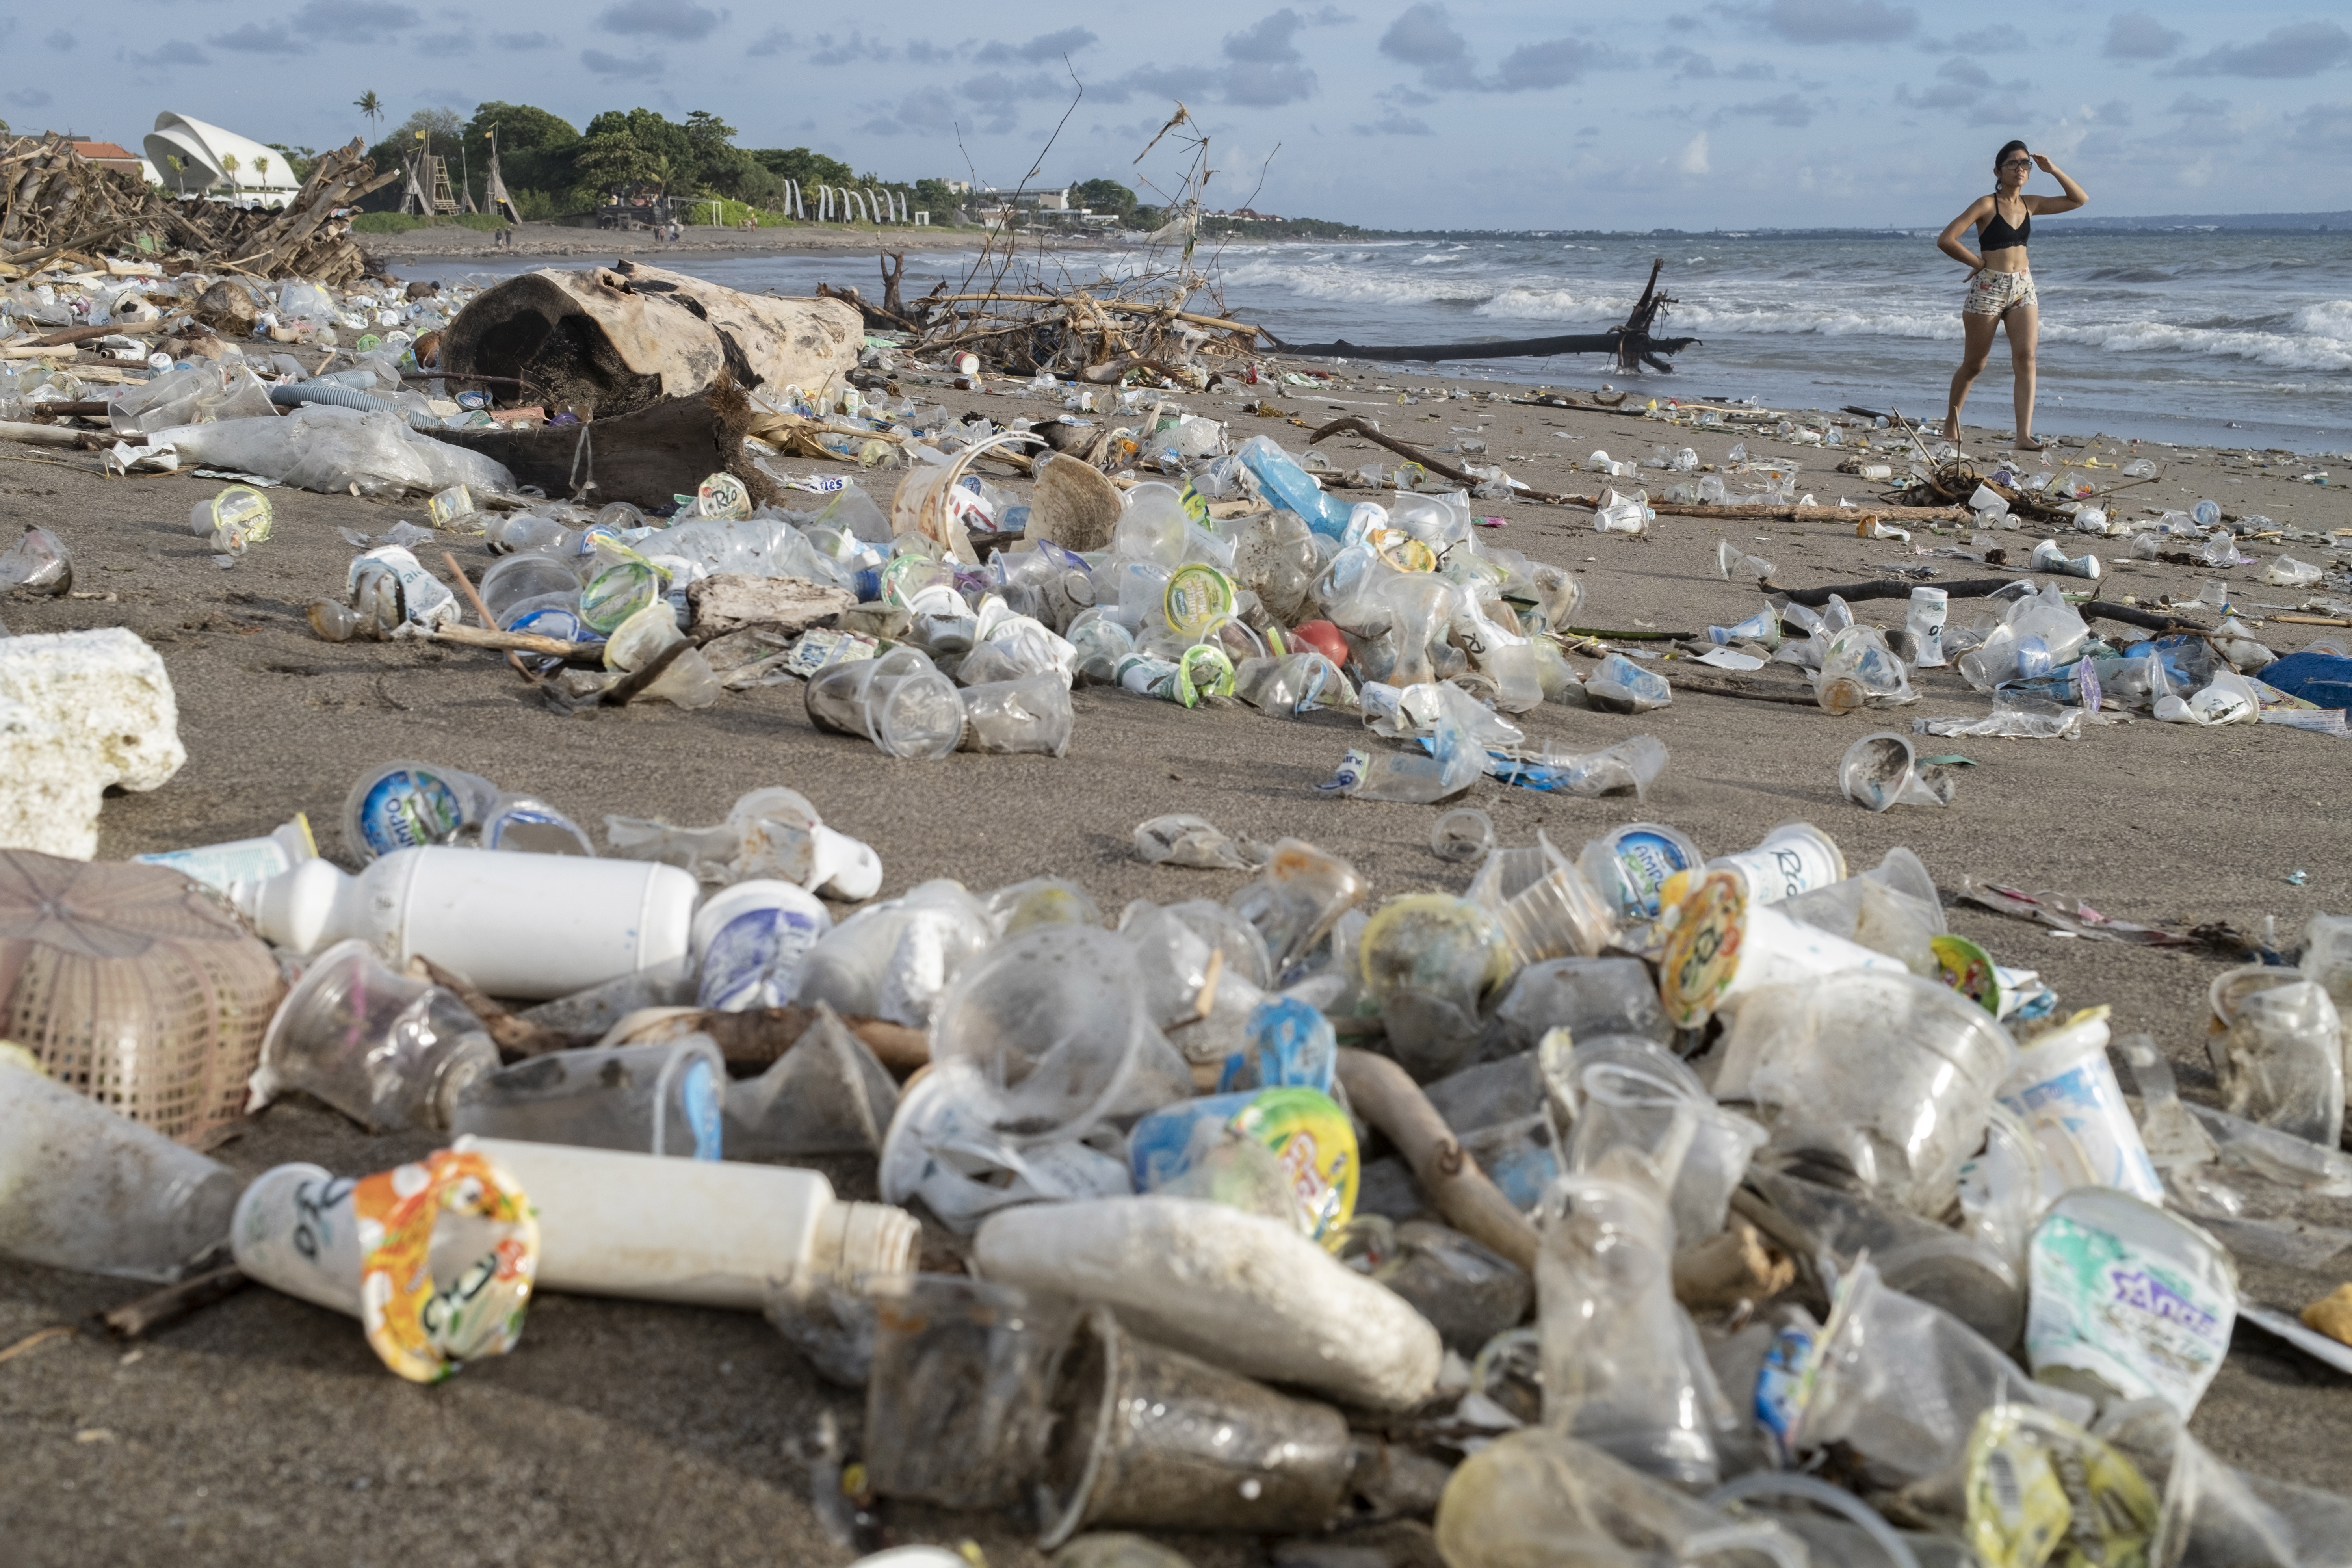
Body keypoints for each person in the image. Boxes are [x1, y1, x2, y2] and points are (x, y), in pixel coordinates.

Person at [1938, 140, 2087, 451]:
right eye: (2013, 164)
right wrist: (1977, 262)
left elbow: (2079, 199)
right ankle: (1951, 424)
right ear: (1998, 171)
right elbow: (1947, 239)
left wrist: (2054, 169)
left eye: (2025, 164)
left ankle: (2023, 435)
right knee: (1976, 364)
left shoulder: (2031, 204)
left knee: (2027, 358)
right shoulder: (1986, 205)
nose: (2021, 168)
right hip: (1989, 288)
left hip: (2023, 287)